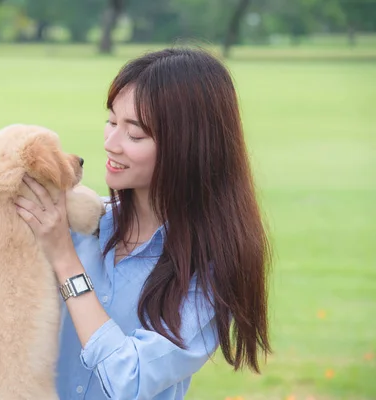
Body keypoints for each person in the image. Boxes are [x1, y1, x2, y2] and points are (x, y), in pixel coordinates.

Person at [15, 47, 271, 400]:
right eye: (111, 121)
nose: (110, 143)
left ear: (188, 147)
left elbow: (130, 380)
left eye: (134, 134)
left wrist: (65, 261)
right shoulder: (77, 222)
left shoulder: (211, 269)